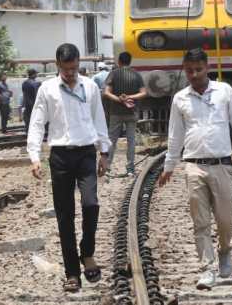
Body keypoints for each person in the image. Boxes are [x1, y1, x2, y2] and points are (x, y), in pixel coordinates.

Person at [158, 48, 232, 290]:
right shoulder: (180, 98)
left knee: (225, 218)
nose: (194, 74)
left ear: (207, 68)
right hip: (193, 166)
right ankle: (207, 268)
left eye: (198, 69)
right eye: (189, 70)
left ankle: (225, 249)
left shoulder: (224, 91)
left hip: (222, 164)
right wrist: (169, 165)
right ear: (184, 70)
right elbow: (175, 134)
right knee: (200, 221)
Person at [27, 43, 110, 293]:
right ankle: (72, 272)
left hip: (86, 153)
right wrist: (34, 155)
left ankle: (87, 253)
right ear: (58, 66)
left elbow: (99, 120)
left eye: (74, 68)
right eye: (66, 69)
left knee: (91, 204)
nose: (71, 73)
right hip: (61, 156)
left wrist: (104, 152)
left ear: (78, 64)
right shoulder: (48, 89)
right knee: (65, 216)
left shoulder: (91, 87)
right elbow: (37, 122)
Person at [103, 52, 147, 176]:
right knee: (131, 140)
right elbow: (143, 93)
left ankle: (107, 167)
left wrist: (119, 99)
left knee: (111, 140)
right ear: (130, 61)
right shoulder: (136, 75)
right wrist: (130, 97)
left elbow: (106, 92)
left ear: (119, 61)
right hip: (131, 112)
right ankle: (130, 168)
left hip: (116, 112)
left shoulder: (113, 74)